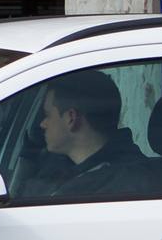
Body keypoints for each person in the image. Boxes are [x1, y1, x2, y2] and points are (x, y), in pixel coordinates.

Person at [19, 72, 151, 199]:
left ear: (71, 118)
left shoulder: (119, 187)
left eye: (47, 115)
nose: (42, 124)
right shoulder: (66, 166)